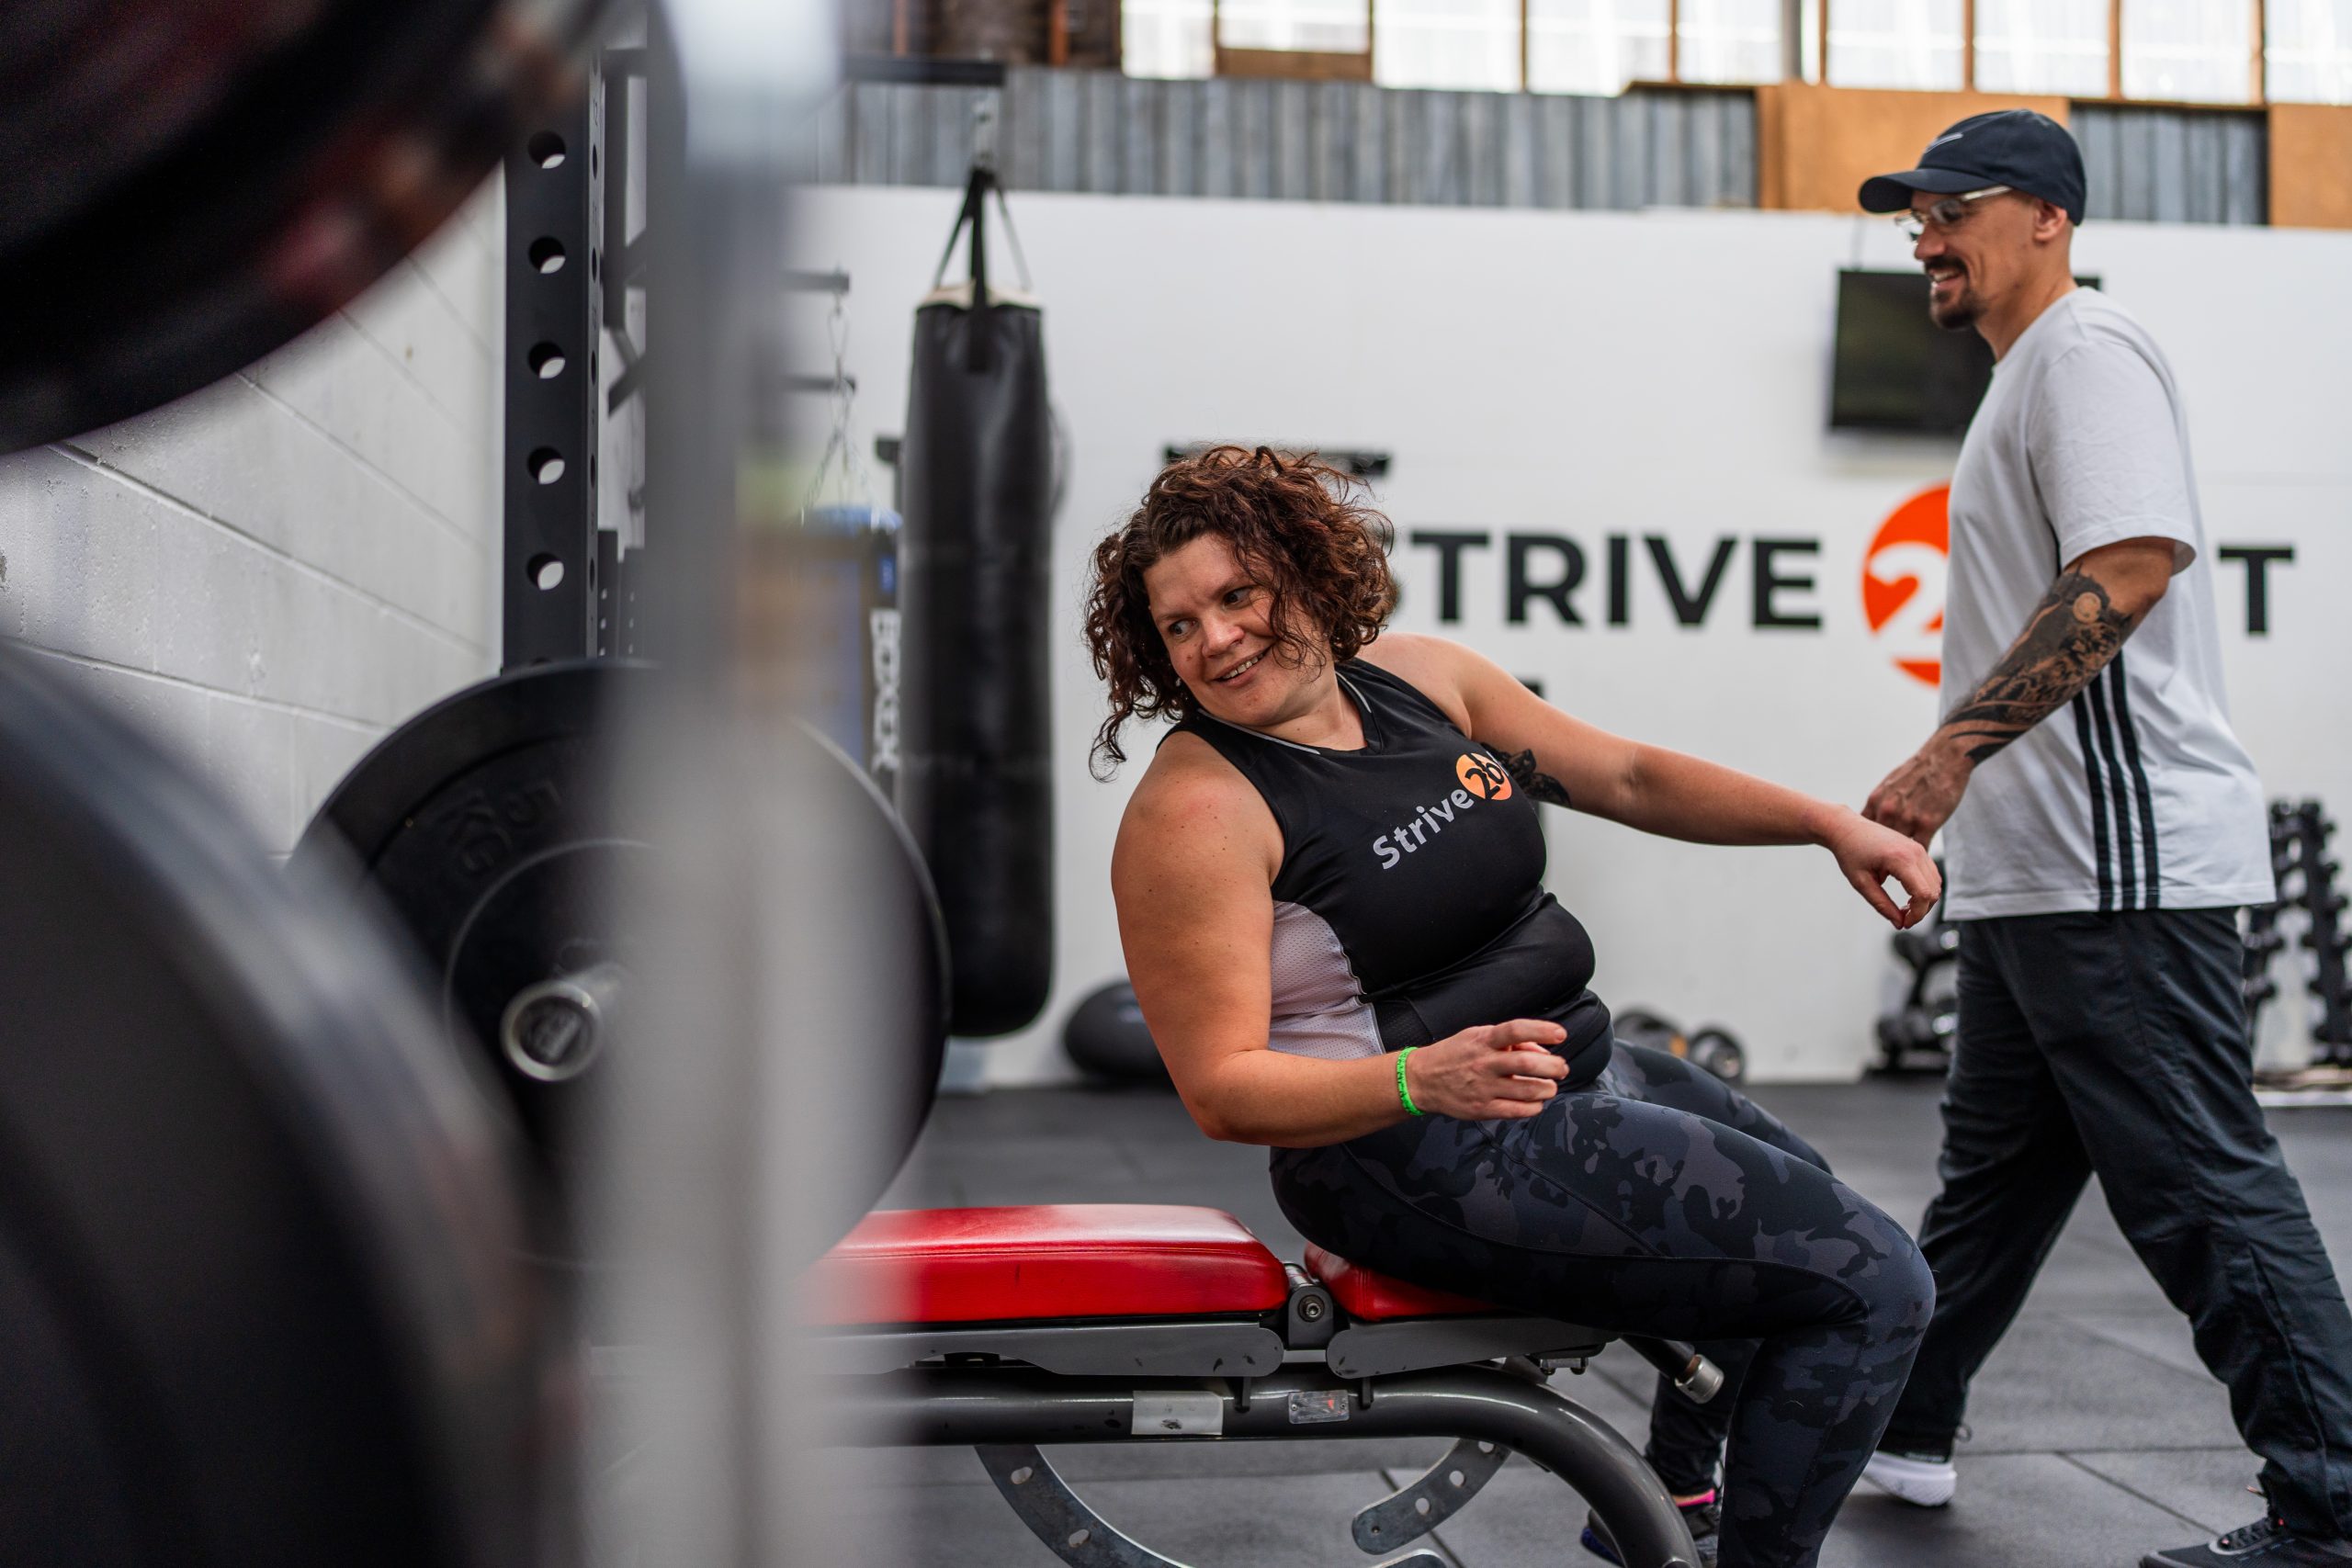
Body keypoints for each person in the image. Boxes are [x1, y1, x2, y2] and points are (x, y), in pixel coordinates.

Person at [1085, 445, 1940, 1568]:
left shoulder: (1418, 679)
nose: (1217, 638)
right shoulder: (1197, 811)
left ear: (1303, 568)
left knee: (1807, 1217)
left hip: (1573, 1071)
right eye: (1179, 626)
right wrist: (1417, 1079)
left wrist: (1828, 824)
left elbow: (1626, 775)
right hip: (1409, 1154)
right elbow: (1220, 1089)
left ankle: (1672, 1500)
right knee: (1873, 1284)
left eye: (1237, 594)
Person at [1853, 110, 2352, 1568]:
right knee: (1992, 1189)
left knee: (2198, 1179)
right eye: (1916, 218)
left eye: (1952, 209)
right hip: (2041, 871)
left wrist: (1953, 746)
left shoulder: (2087, 350)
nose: (1927, 238)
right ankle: (1899, 1420)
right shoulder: (2020, 378)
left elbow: (2127, 566)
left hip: (2116, 865)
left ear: (2048, 216)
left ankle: (2334, 1494)